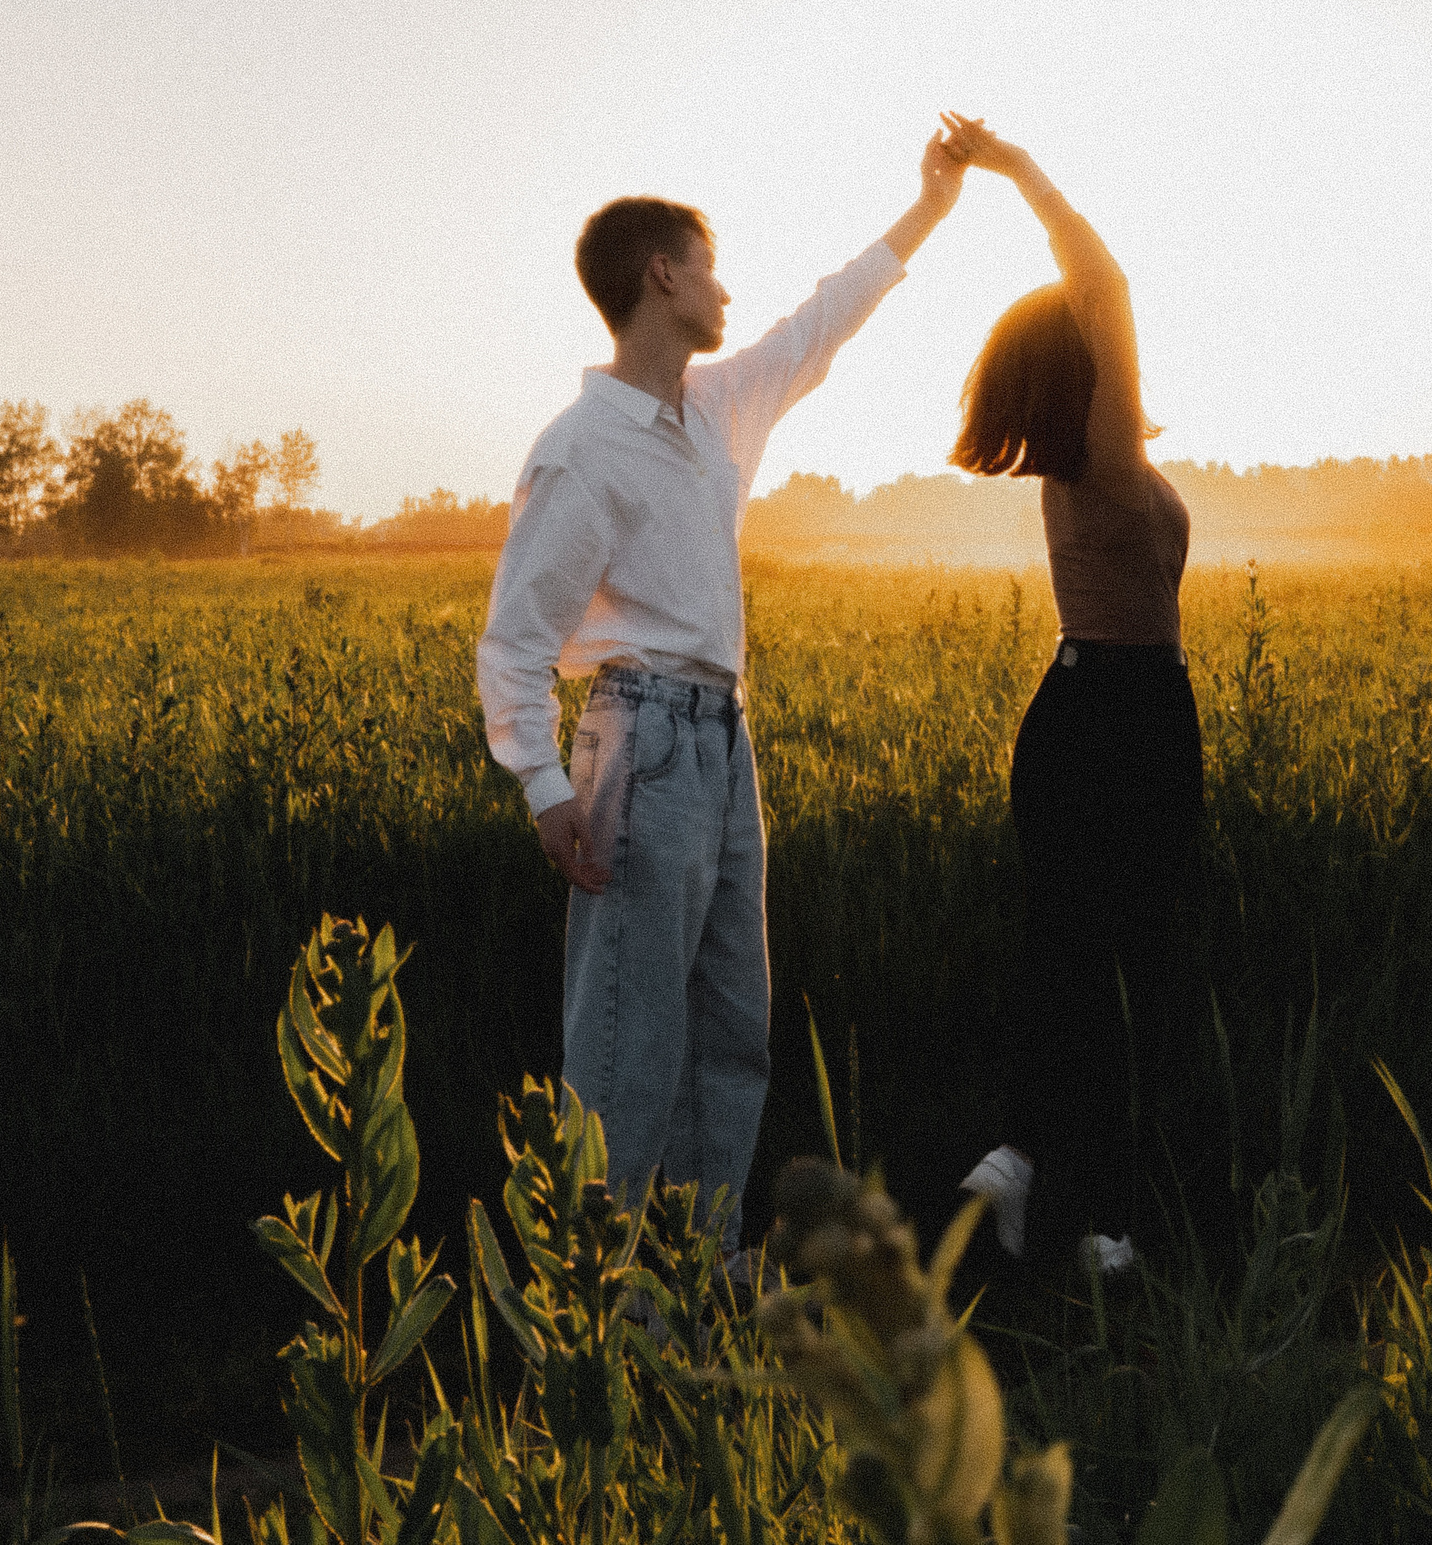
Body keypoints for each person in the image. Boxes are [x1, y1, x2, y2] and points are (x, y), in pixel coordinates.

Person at [476, 128, 967, 1252]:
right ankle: (603, 1312)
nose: (724, 287)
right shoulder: (583, 448)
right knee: (625, 1042)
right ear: (661, 275)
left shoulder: (717, 408)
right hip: (638, 737)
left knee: (731, 1032)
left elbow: (821, 317)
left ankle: (697, 1284)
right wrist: (546, 789)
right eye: (706, 264)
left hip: (721, 743)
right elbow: (513, 643)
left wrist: (926, 210)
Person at [940, 115, 1201, 1276]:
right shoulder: (1101, 462)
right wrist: (1016, 171)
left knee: (1069, 962)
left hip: (1073, 711)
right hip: (1130, 716)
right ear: (1087, 370)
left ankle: (1022, 1169)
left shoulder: (1083, 466)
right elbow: (1103, 278)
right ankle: (1110, 1227)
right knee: (1143, 973)